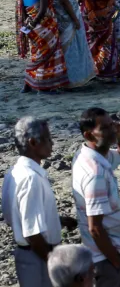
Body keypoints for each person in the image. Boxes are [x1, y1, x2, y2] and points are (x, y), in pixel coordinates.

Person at [2, 117, 76, 287]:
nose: (52, 143)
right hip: (38, 256)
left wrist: (55, 221)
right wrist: (54, 262)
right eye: (48, 139)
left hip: (28, 255)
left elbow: (16, 216)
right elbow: (32, 234)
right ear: (33, 142)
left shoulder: (15, 171)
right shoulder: (31, 178)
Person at [71, 108, 120, 287]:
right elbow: (95, 228)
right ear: (89, 135)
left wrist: (119, 136)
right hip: (110, 257)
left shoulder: (95, 154)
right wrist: (116, 262)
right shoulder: (95, 173)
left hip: (105, 253)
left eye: (112, 125)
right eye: (106, 128)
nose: (112, 130)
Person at [43, 0, 95, 87]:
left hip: (57, 18)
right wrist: (75, 19)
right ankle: (73, 79)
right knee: (73, 49)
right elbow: (64, 0)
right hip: (67, 17)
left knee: (63, 49)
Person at [15, 0, 68, 92]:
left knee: (36, 54)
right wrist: (36, 22)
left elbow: (27, 10)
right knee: (49, 56)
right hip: (45, 27)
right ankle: (46, 85)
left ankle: (28, 83)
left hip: (32, 27)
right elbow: (43, 10)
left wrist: (31, 23)